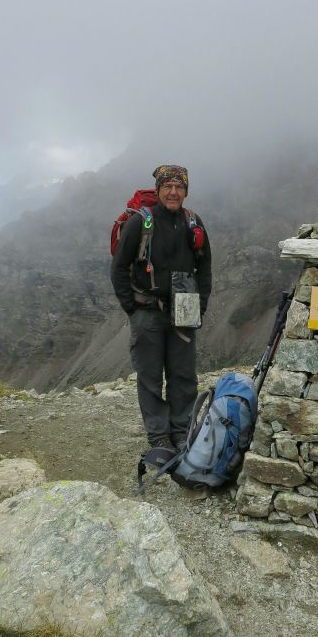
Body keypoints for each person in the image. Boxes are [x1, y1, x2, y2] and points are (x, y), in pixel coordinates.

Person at [111, 165, 212, 451]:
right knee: (150, 375)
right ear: (158, 191)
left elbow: (205, 269)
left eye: (179, 187)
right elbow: (118, 268)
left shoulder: (194, 222)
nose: (173, 192)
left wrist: (200, 307)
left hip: (185, 309)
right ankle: (158, 436)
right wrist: (132, 308)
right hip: (147, 311)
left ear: (186, 192)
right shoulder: (141, 223)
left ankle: (181, 432)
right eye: (167, 187)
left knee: (183, 374)